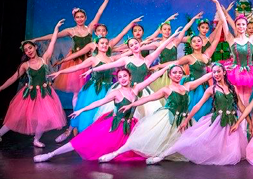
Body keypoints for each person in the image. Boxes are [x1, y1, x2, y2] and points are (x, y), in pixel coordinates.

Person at [33, 66, 170, 163]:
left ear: (130, 77)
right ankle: (50, 154)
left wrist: (167, 67)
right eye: (119, 77)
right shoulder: (116, 93)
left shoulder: (135, 89)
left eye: (125, 76)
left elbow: (152, 77)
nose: (122, 79)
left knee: (139, 149)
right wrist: (82, 110)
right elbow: (99, 102)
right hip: (113, 124)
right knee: (83, 140)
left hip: (129, 126)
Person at [97, 65, 214, 164]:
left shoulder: (187, 86)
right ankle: (114, 154)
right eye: (174, 73)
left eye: (179, 73)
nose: (177, 75)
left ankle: (161, 156)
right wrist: (131, 105)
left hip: (185, 120)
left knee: (190, 143)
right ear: (169, 75)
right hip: (168, 118)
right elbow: (148, 98)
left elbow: (205, 77)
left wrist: (217, 70)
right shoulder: (166, 89)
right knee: (143, 138)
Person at [147, 63, 250, 165]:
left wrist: (248, 122)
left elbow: (241, 107)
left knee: (228, 150)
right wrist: (186, 121)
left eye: (218, 71)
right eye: (214, 72)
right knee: (191, 140)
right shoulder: (211, 89)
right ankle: (162, 156)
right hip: (217, 122)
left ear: (224, 72)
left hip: (231, 122)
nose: (216, 74)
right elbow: (198, 106)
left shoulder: (233, 88)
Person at [0, 19, 67, 149]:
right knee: (14, 118)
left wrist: (56, 29)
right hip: (29, 94)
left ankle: (36, 139)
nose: (29, 51)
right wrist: (0, 89)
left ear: (35, 47)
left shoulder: (44, 58)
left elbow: (52, 42)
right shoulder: (25, 65)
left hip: (45, 94)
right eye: (26, 50)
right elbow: (13, 78)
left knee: (43, 118)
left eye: (30, 48)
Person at [208, 0, 253, 105]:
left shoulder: (252, 39)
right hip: (235, 71)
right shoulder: (231, 39)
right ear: (236, 26)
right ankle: (240, 120)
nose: (241, 27)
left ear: (246, 26)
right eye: (238, 24)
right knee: (238, 98)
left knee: (247, 99)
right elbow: (224, 21)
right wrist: (217, 3)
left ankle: (246, 120)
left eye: (243, 24)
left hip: (249, 71)